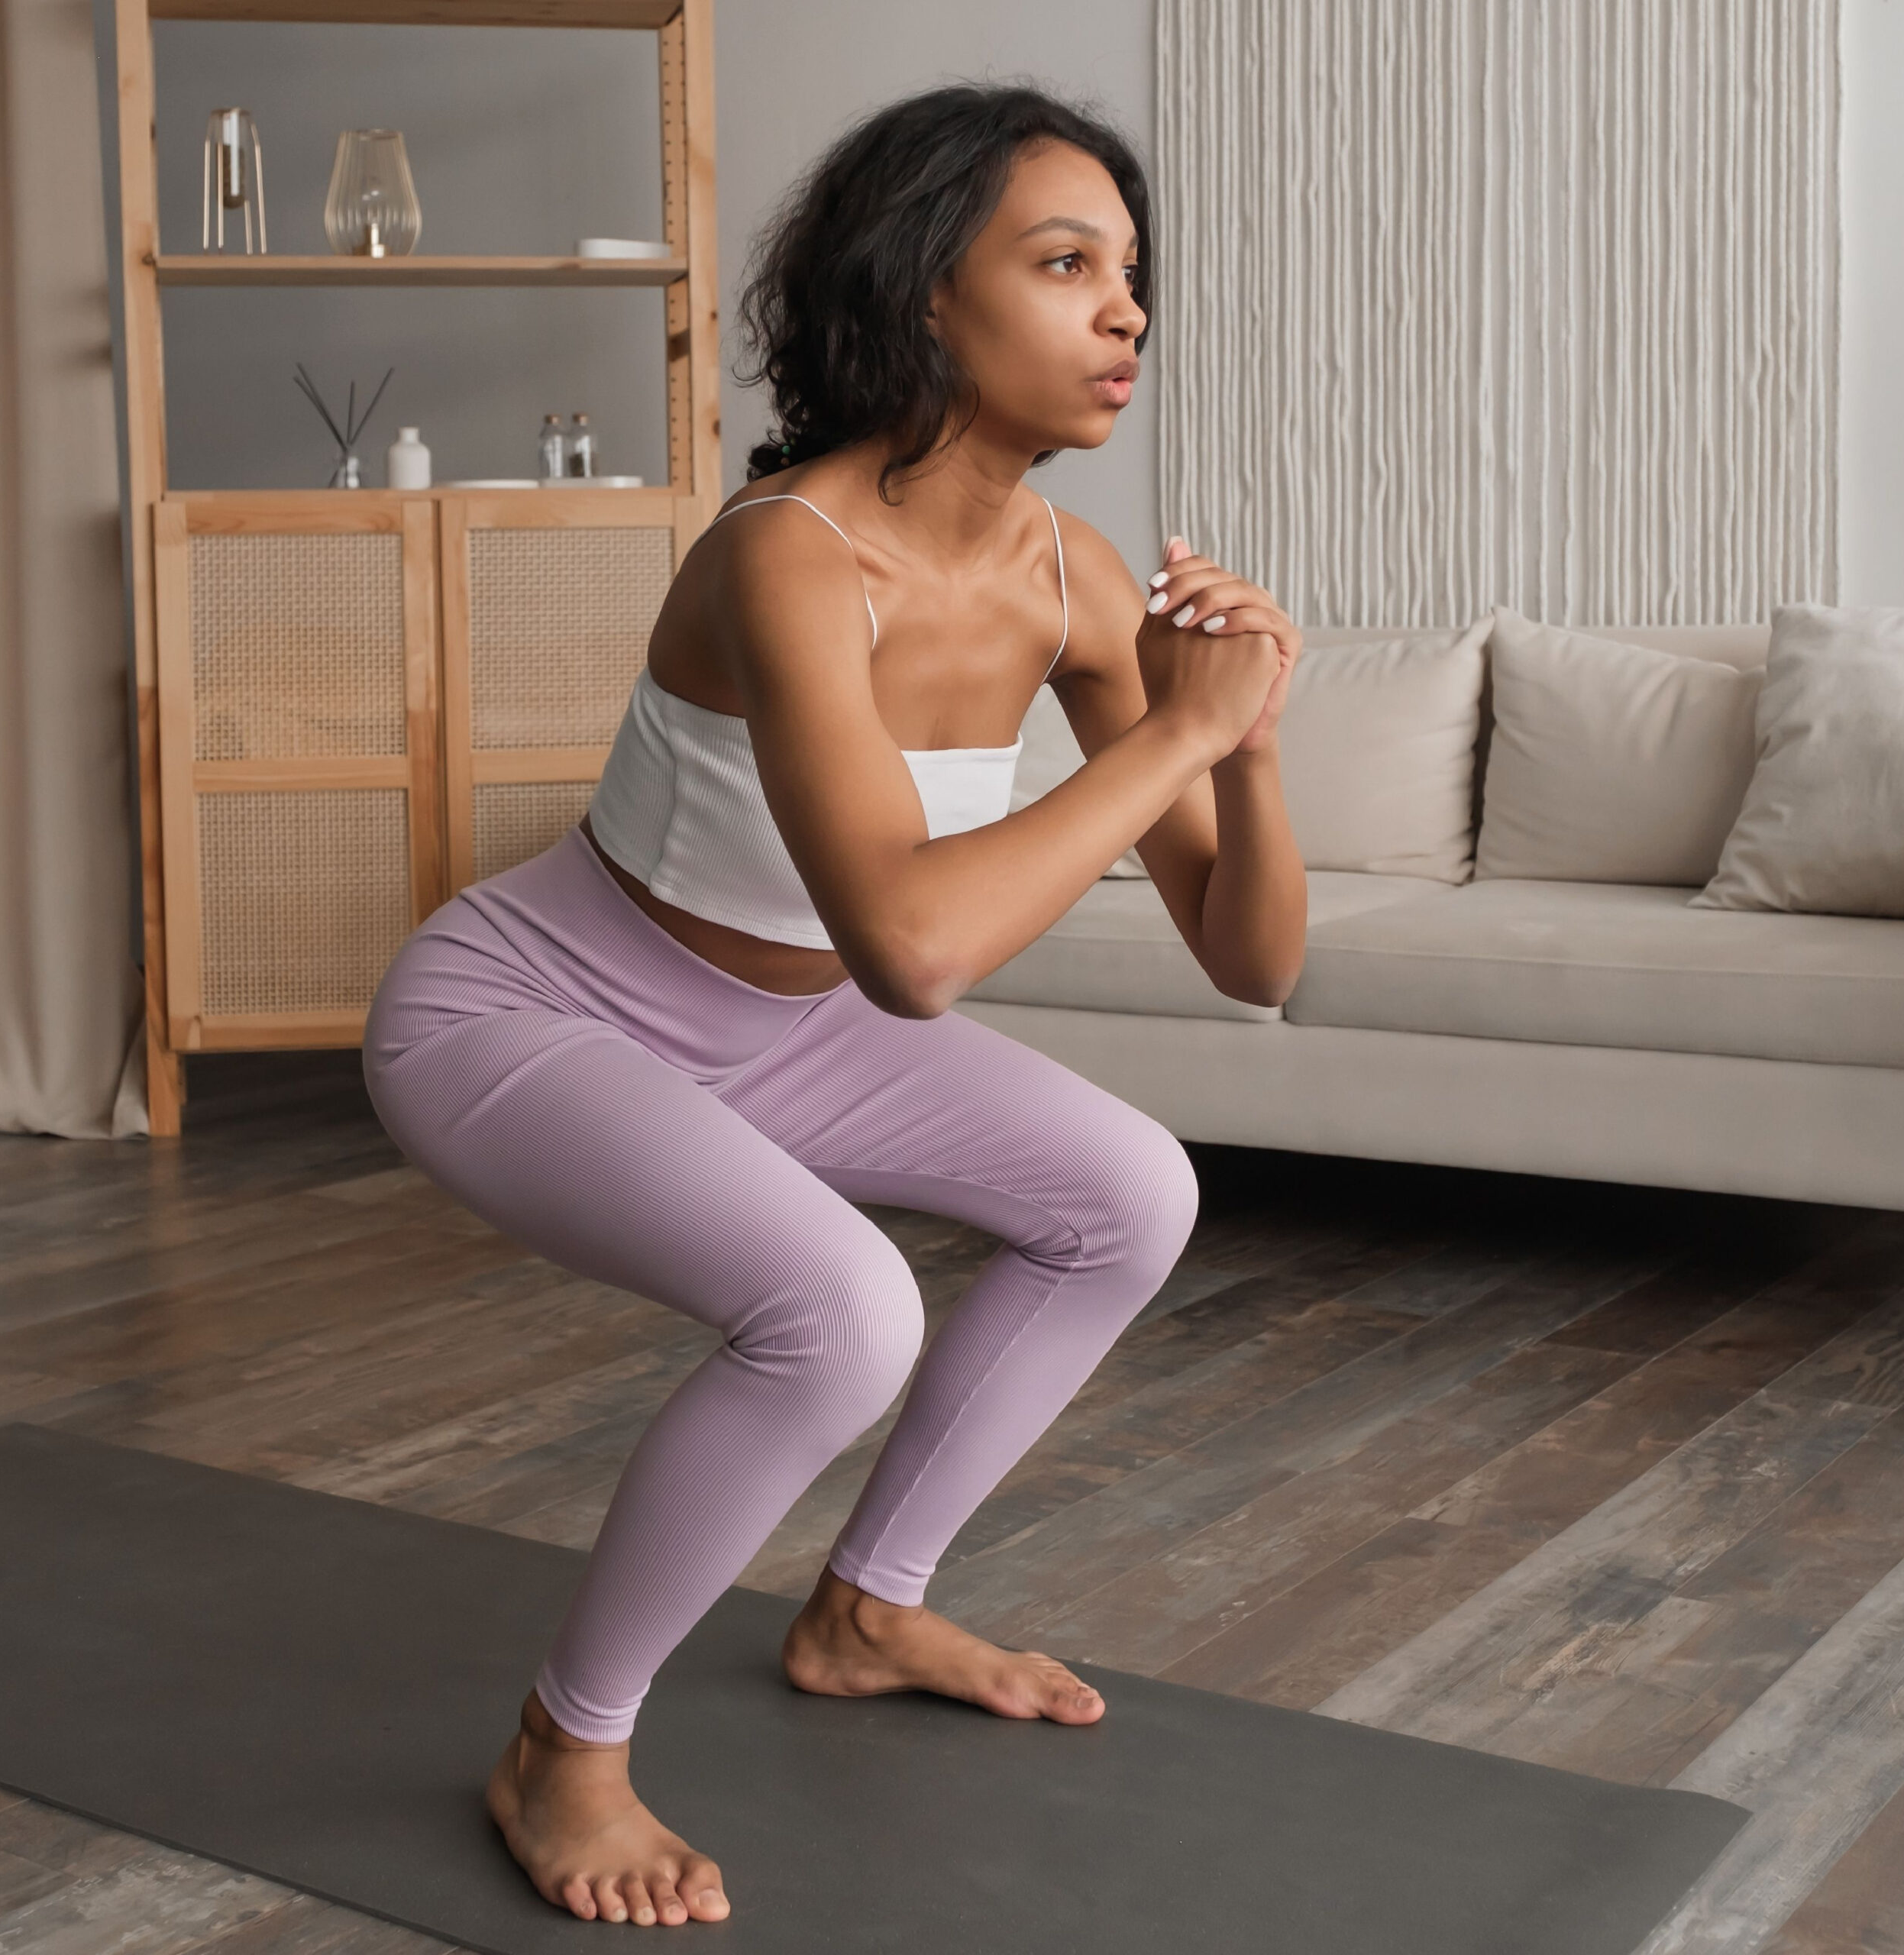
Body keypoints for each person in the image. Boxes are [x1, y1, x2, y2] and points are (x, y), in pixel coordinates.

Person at [361, 79, 1306, 1931]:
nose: (1124, 310)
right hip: (531, 1011)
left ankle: (867, 1604)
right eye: (1062, 263)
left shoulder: (1073, 580)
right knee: (837, 1306)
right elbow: (919, 952)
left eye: (1130, 272)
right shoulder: (785, 558)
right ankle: (565, 1747)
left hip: (788, 1035)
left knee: (1133, 1188)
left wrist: (1247, 745)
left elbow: (1253, 959)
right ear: (922, 297)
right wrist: (1172, 733)